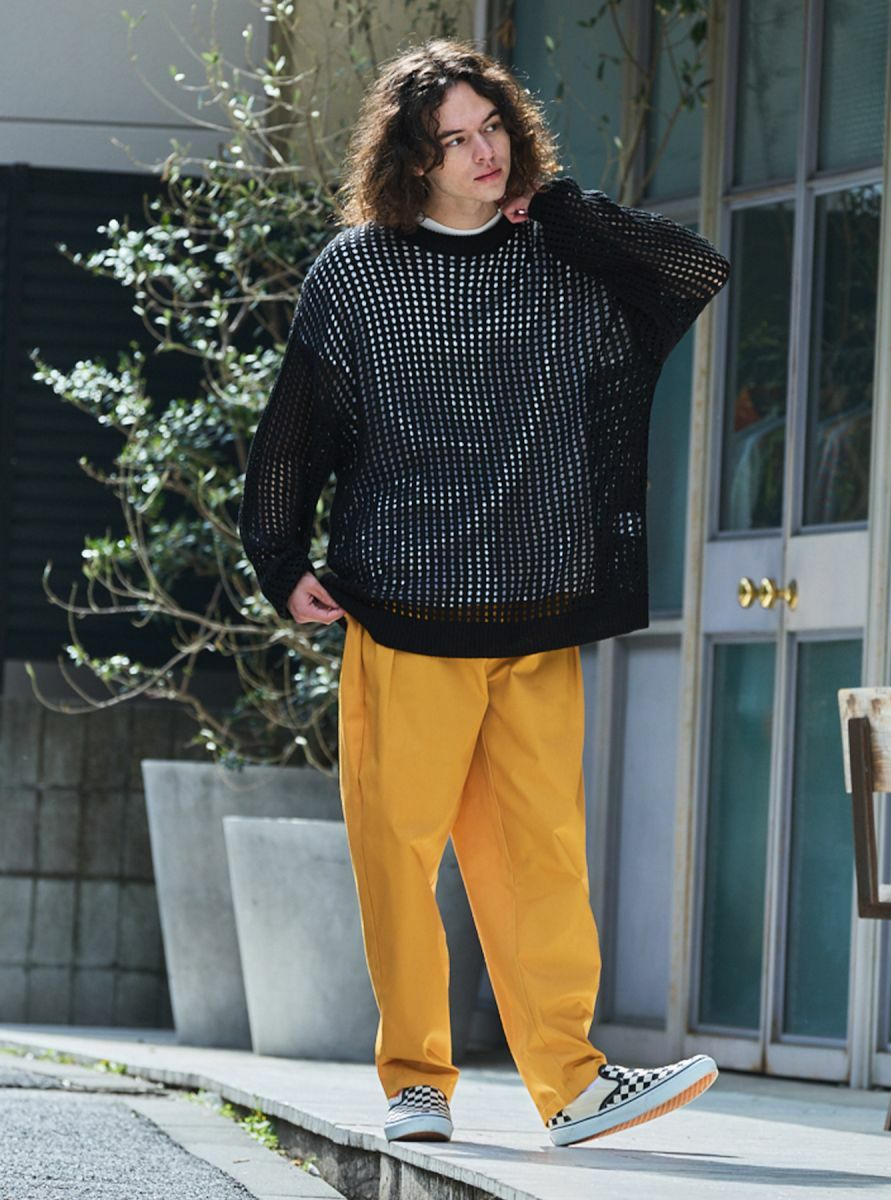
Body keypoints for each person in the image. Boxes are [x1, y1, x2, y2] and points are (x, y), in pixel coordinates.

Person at [238, 37, 730, 1147]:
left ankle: (573, 1083)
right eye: (454, 139)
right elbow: (295, 433)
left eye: (492, 127)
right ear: (411, 158)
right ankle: (416, 1082)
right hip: (407, 613)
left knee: (541, 860)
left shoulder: (560, 257)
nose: (482, 152)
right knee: (397, 861)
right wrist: (280, 559)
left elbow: (692, 272)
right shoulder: (359, 273)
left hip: (535, 615)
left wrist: (566, 212)